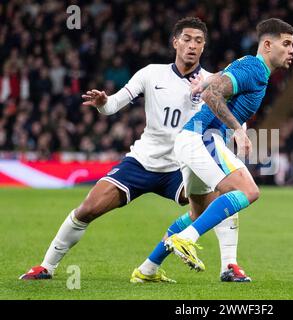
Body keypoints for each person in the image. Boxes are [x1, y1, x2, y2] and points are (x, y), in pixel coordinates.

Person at [19, 17, 250, 283]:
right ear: (175, 42)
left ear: (204, 46)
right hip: (142, 162)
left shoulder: (212, 82)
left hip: (182, 166)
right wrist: (103, 102)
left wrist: (238, 133)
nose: (192, 45)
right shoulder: (151, 73)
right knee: (87, 209)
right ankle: (46, 267)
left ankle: (229, 267)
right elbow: (112, 105)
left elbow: (232, 115)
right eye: (186, 39)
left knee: (223, 201)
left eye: (198, 41)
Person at [162, 18, 293, 271]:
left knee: (201, 212)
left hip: (193, 140)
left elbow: (220, 79)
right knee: (248, 191)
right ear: (267, 45)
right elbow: (213, 96)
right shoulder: (255, 69)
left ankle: (148, 267)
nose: (292, 51)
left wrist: (202, 82)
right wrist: (239, 131)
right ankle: (187, 238)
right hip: (203, 137)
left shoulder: (249, 65)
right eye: (286, 44)